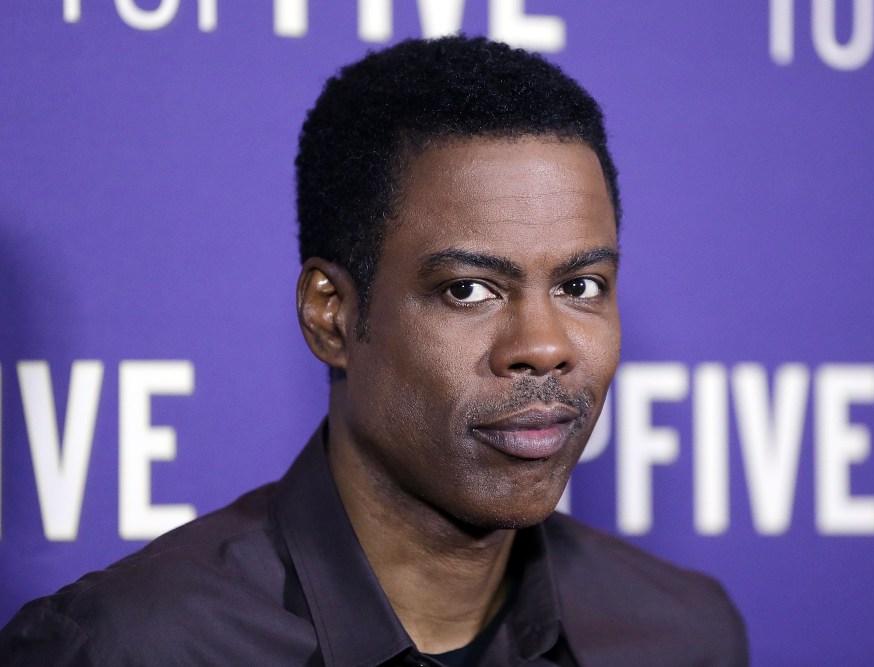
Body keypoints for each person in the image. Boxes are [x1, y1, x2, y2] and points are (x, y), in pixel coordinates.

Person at [0, 36, 747, 666]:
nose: (545, 346)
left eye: (581, 286)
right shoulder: (128, 647)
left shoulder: (683, 636)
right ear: (331, 315)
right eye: (468, 290)